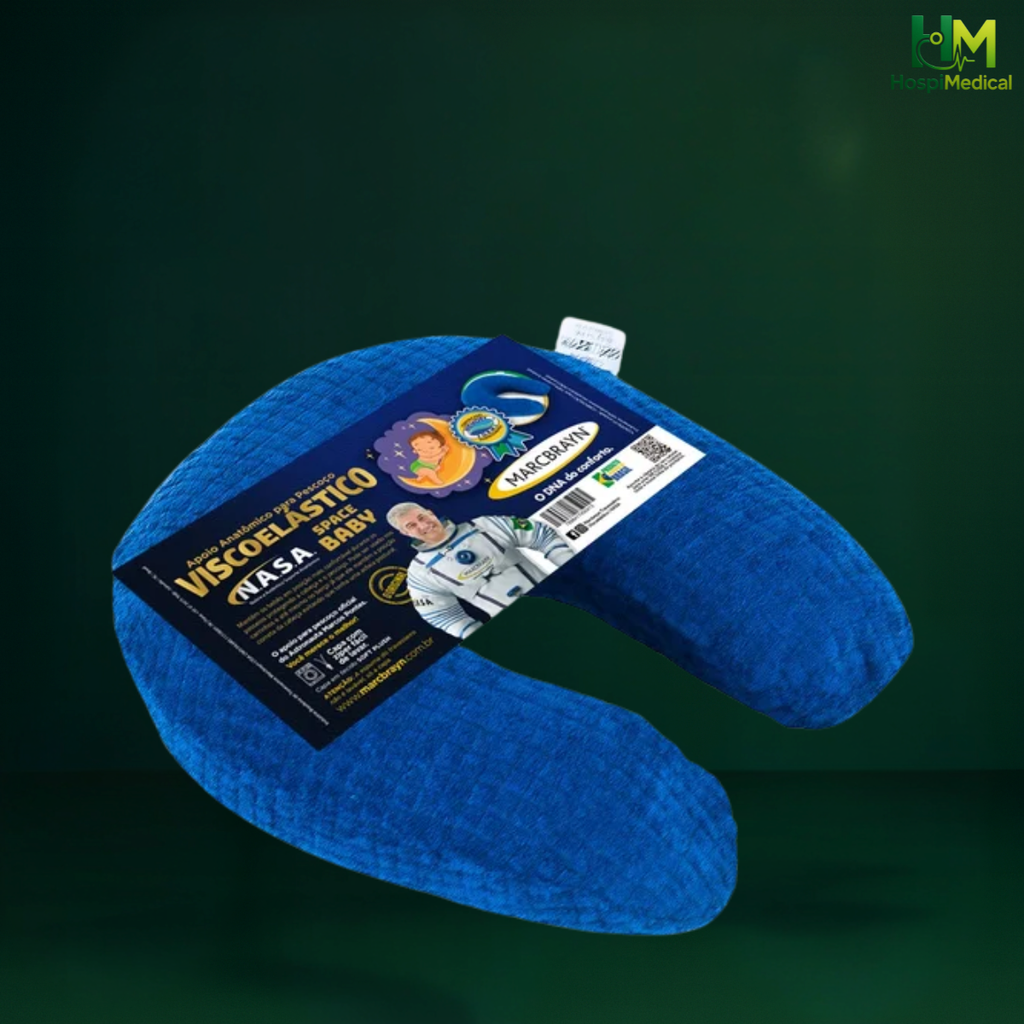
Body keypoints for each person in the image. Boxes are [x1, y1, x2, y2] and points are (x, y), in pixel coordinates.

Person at [387, 502, 573, 638]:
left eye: (422, 517)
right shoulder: (420, 572)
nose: (422, 525)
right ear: (405, 533)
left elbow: (541, 535)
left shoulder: (484, 526)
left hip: (564, 601)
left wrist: (573, 568)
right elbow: (438, 614)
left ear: (430, 513)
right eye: (411, 525)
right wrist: (480, 637)